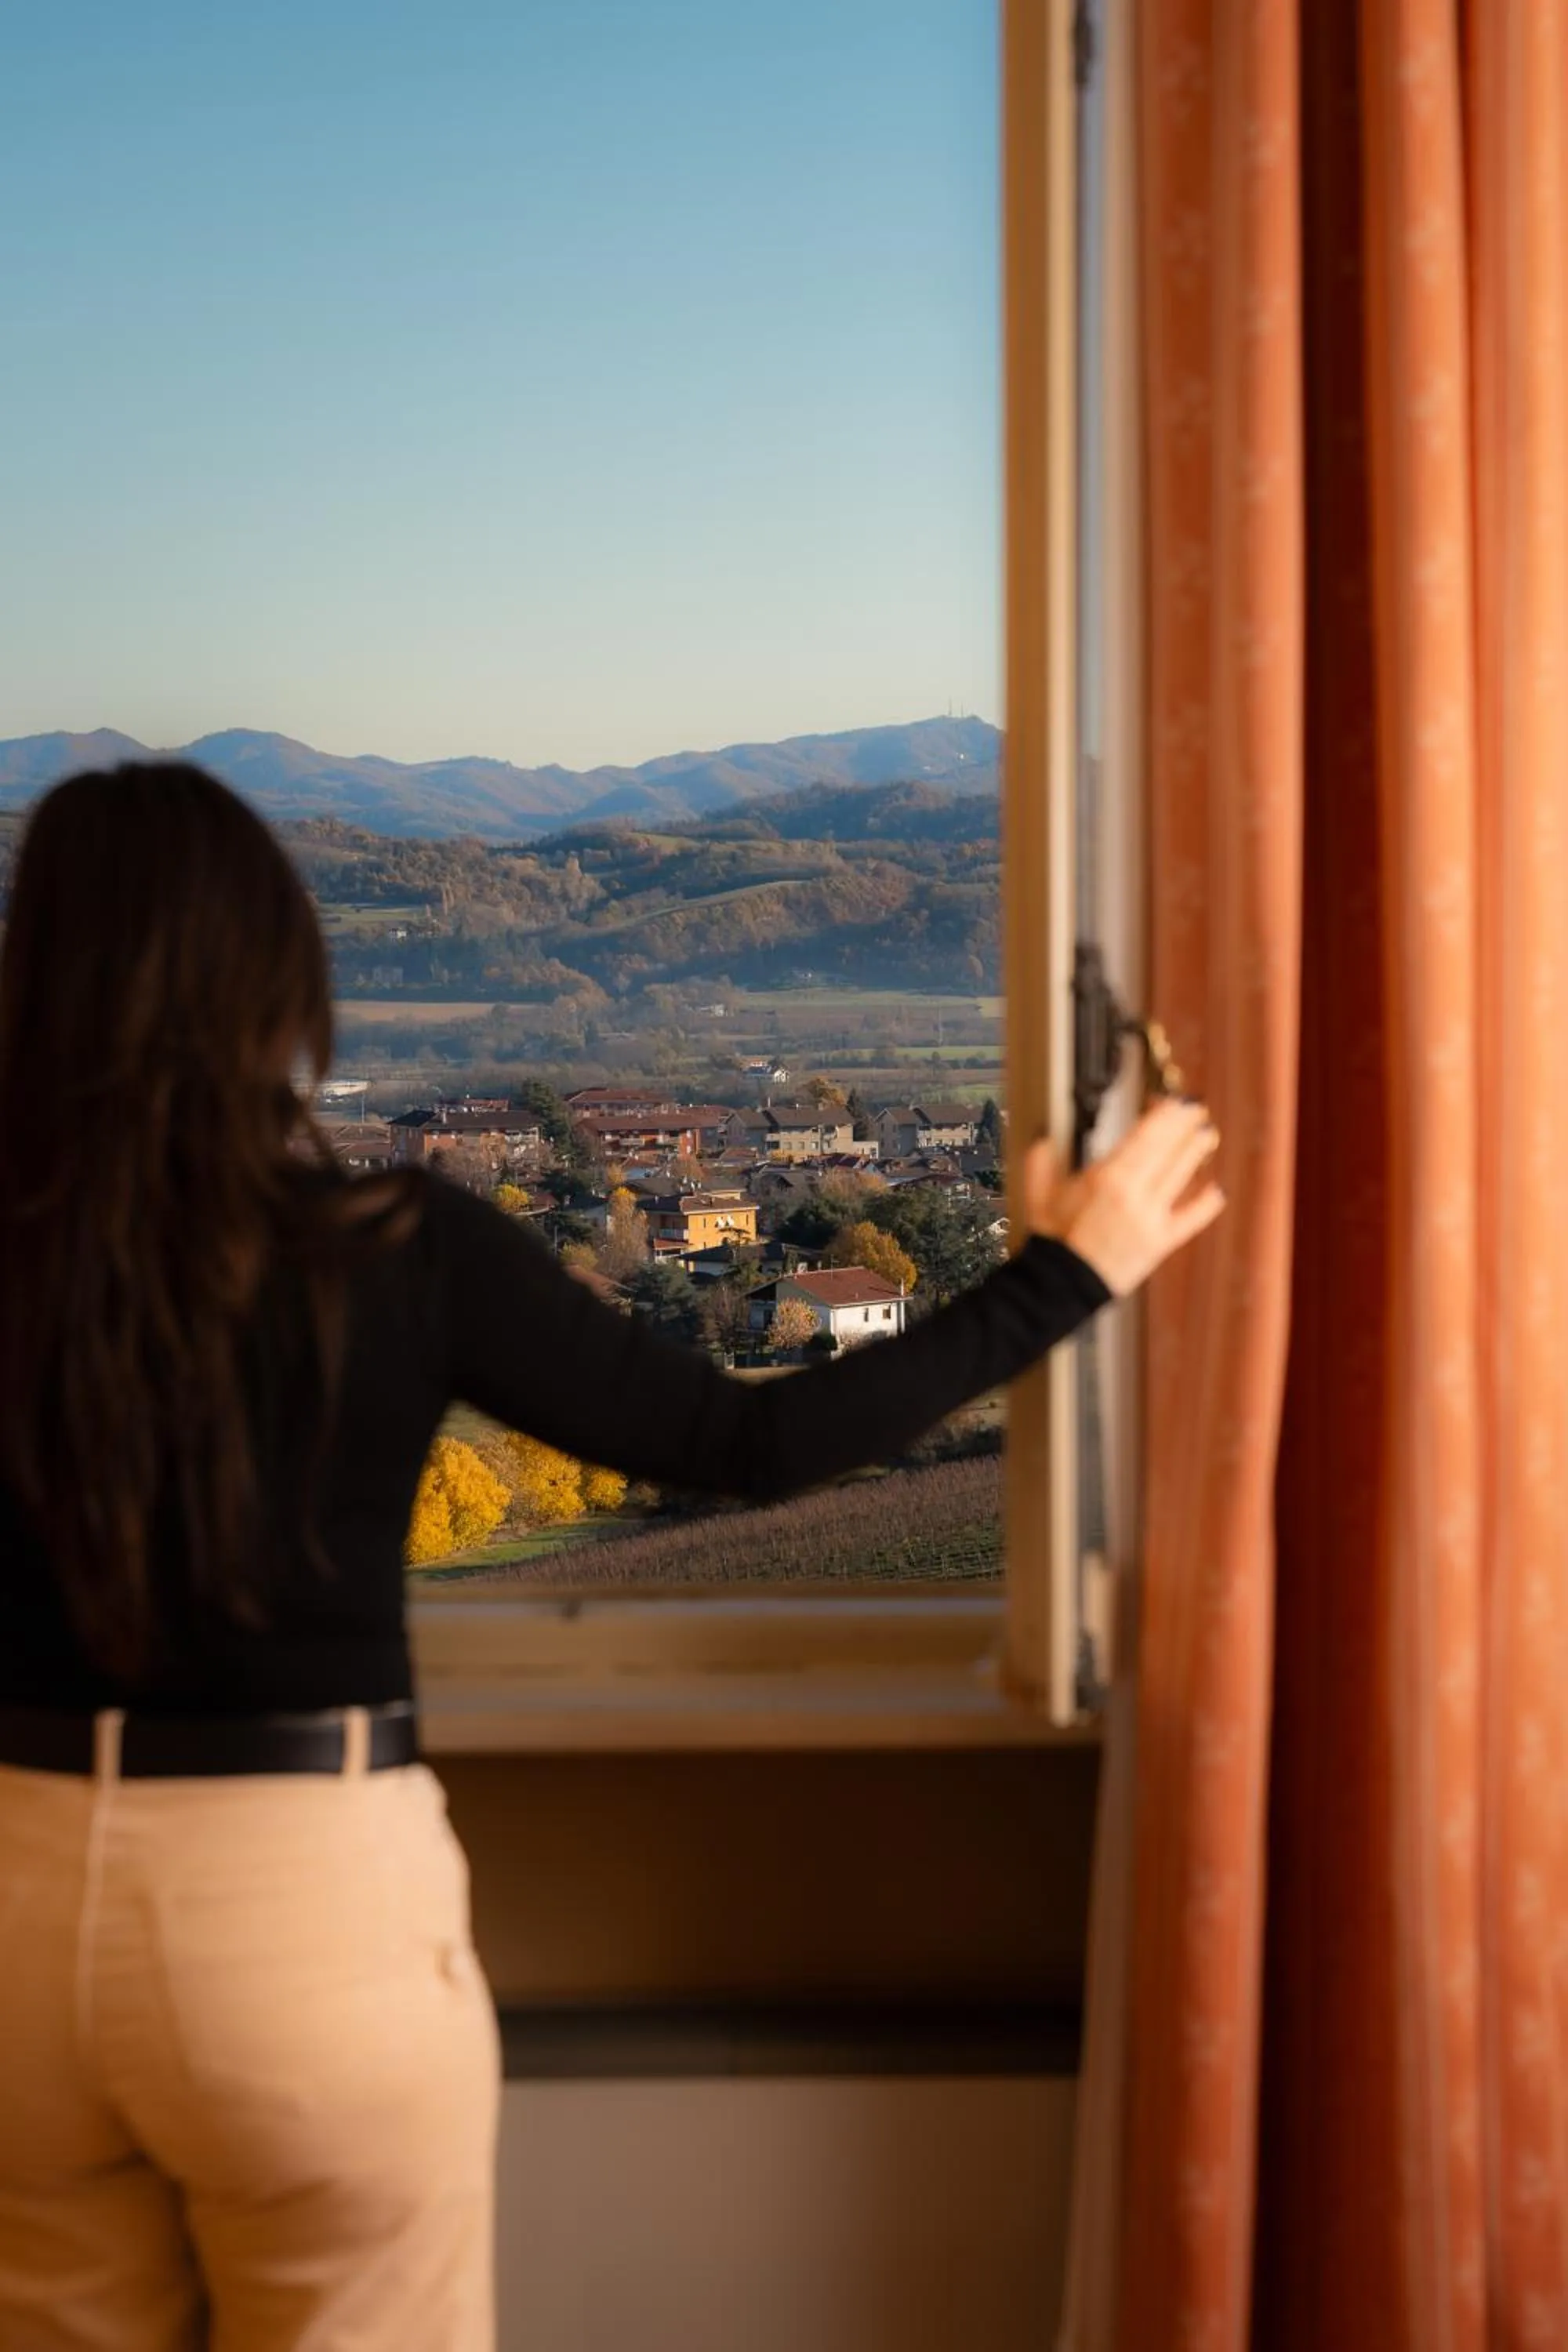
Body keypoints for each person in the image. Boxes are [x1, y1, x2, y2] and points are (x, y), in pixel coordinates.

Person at [0, 762, 1223, 2352]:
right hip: (293, 1911)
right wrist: (1062, 1276)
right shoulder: (389, 1249)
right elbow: (745, 1444)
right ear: (271, 981)